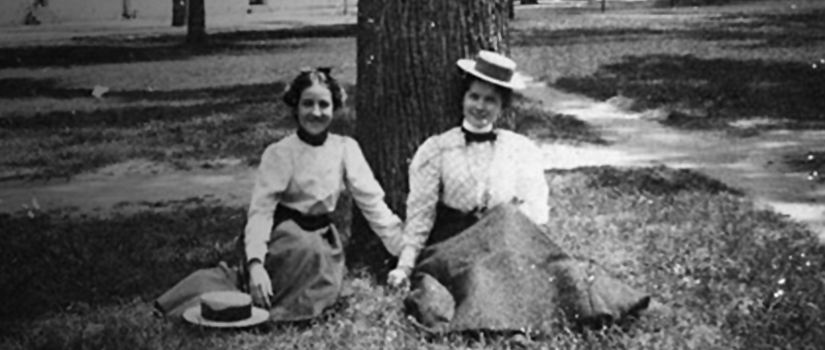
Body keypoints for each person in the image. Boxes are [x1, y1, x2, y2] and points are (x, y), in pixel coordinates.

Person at [387, 51, 650, 336]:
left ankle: (567, 313)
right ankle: (506, 326)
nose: (480, 106)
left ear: (502, 106)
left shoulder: (518, 148)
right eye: (474, 97)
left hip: (506, 235)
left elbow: (535, 208)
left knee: (560, 273)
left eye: (491, 100)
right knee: (479, 277)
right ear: (462, 98)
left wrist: (520, 240)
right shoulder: (437, 149)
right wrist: (404, 265)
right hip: (455, 242)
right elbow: (420, 216)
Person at [155, 67, 405, 322]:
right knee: (278, 267)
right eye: (308, 104)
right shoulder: (280, 153)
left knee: (315, 257)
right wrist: (255, 264)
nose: (316, 112)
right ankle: (249, 293)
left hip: (321, 240)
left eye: (324, 104)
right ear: (295, 107)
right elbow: (261, 211)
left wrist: (404, 252)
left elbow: (372, 204)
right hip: (283, 234)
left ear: (335, 107)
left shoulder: (346, 148)